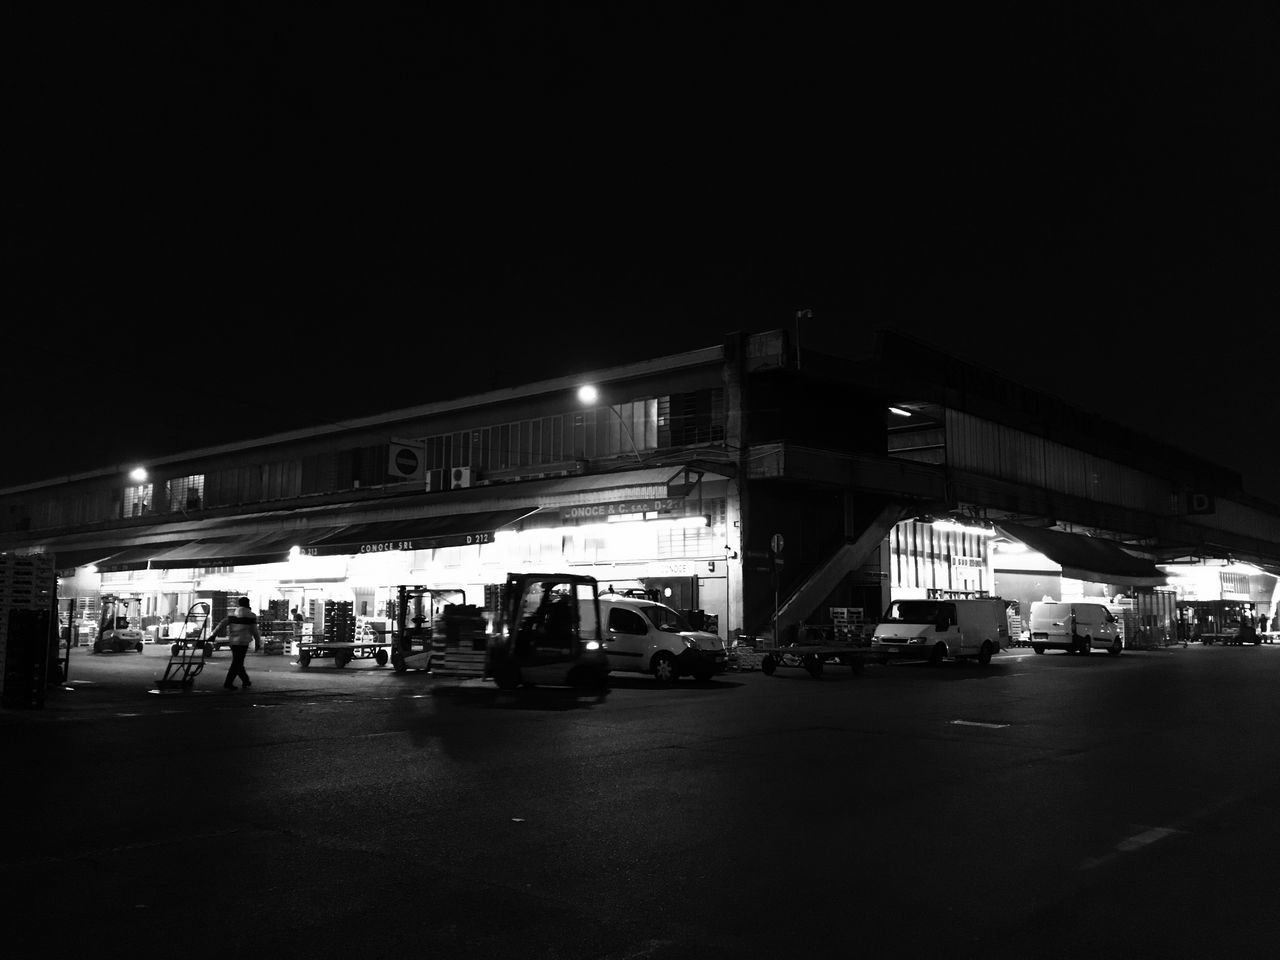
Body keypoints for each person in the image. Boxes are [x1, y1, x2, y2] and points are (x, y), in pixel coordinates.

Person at [210, 596, 261, 690]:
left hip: (233, 642)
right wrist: (258, 642)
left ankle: (246, 680)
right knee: (237, 663)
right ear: (248, 604)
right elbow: (254, 631)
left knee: (238, 662)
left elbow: (221, 624)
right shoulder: (251, 616)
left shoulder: (233, 615)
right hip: (243, 642)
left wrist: (213, 635)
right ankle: (228, 683)